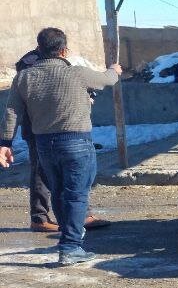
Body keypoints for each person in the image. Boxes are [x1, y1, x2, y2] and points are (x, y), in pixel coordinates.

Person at [0, 28, 122, 265]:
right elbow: (107, 79)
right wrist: (114, 70)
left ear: (38, 49)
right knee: (76, 195)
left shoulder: (23, 77)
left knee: (57, 192)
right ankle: (70, 247)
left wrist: (5, 142)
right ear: (64, 50)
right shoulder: (76, 73)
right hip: (76, 142)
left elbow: (12, 112)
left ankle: (68, 241)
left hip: (44, 144)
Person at [13, 49, 110, 234]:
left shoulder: (41, 62)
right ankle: (42, 218)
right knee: (45, 173)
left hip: (48, 126)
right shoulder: (32, 62)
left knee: (66, 173)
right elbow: (46, 93)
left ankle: (75, 217)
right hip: (42, 127)